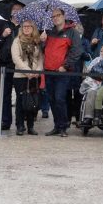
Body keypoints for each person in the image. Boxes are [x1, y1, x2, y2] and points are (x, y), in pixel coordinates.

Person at [41, 8, 82, 137]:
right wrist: (42, 41)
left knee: (60, 98)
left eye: (58, 15)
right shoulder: (49, 33)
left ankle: (63, 126)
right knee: (52, 99)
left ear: (64, 16)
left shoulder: (72, 32)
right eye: (53, 16)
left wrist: (65, 65)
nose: (55, 18)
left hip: (62, 72)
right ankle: (57, 125)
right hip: (48, 71)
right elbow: (44, 51)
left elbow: (77, 51)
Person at [10, 19, 43, 136]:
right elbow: (16, 58)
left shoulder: (36, 42)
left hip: (34, 76)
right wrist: (27, 72)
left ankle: (30, 126)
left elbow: (39, 58)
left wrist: (38, 71)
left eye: (29, 26)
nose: (27, 28)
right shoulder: (17, 41)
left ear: (33, 28)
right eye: (24, 26)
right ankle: (20, 126)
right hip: (20, 76)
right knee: (21, 101)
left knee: (32, 101)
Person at [0, 2, 24, 132]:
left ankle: (20, 123)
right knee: (5, 95)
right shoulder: (4, 25)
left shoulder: (25, 26)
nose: (16, 11)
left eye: (19, 9)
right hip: (5, 64)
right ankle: (5, 121)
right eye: (14, 9)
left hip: (19, 65)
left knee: (21, 95)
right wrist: (2, 36)